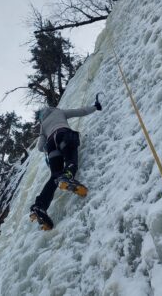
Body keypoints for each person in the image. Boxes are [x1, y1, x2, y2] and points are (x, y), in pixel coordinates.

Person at [30, 97, 102, 229]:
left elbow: (40, 147)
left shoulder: (43, 125)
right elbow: (80, 111)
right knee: (71, 161)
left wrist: (48, 144)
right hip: (64, 135)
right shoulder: (58, 112)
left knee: (54, 176)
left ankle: (40, 206)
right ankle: (67, 176)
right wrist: (95, 107)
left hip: (51, 144)